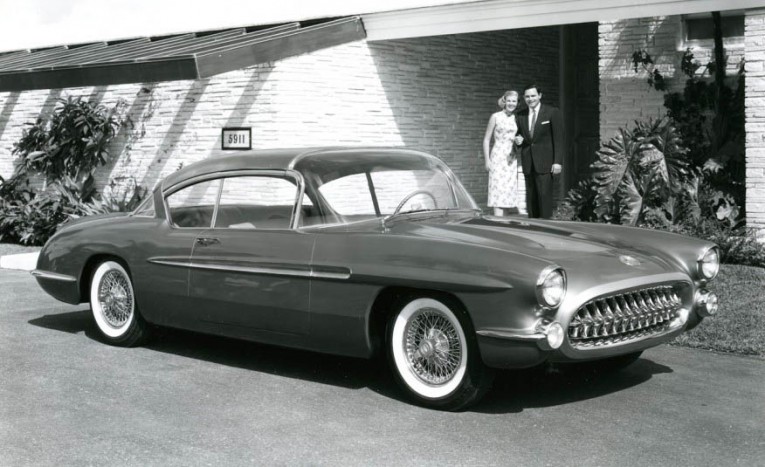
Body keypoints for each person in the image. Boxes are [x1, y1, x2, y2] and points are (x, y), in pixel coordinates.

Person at [514, 84, 564, 219]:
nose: (530, 99)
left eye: (533, 96)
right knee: (531, 201)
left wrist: (557, 162)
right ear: (524, 98)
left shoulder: (552, 112)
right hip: (528, 163)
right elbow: (519, 136)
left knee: (544, 199)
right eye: (527, 96)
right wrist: (518, 140)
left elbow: (558, 139)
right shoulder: (521, 115)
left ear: (540, 96)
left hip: (546, 163)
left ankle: (547, 229)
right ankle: (533, 227)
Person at [482, 90, 520, 216]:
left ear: (517, 103)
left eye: (514, 101)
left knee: (507, 193)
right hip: (498, 156)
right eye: (509, 101)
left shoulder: (517, 118)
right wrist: (487, 160)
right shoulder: (496, 116)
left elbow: (520, 138)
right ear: (504, 101)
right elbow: (486, 139)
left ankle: (506, 225)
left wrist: (519, 141)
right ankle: (498, 223)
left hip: (511, 158)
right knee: (498, 192)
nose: (511, 103)